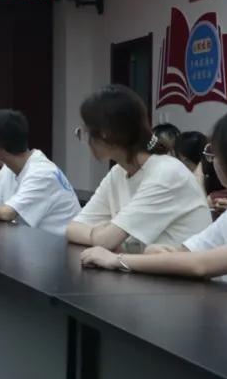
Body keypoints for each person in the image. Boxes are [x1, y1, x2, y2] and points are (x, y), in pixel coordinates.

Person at [81, 106, 227, 286]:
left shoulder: (167, 172)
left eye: (213, 154)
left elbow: (200, 265)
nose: (210, 161)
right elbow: (189, 251)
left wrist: (117, 260)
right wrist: (160, 253)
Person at [66, 85, 212, 253]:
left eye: (84, 132)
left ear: (106, 133)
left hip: (180, 270)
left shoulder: (166, 173)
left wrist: (100, 235)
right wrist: (97, 235)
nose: (84, 139)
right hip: (143, 267)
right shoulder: (118, 173)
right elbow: (72, 228)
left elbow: (106, 240)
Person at [0, 109, 81, 235]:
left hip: (59, 248)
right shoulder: (10, 169)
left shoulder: (42, 173)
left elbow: (8, 213)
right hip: (33, 241)